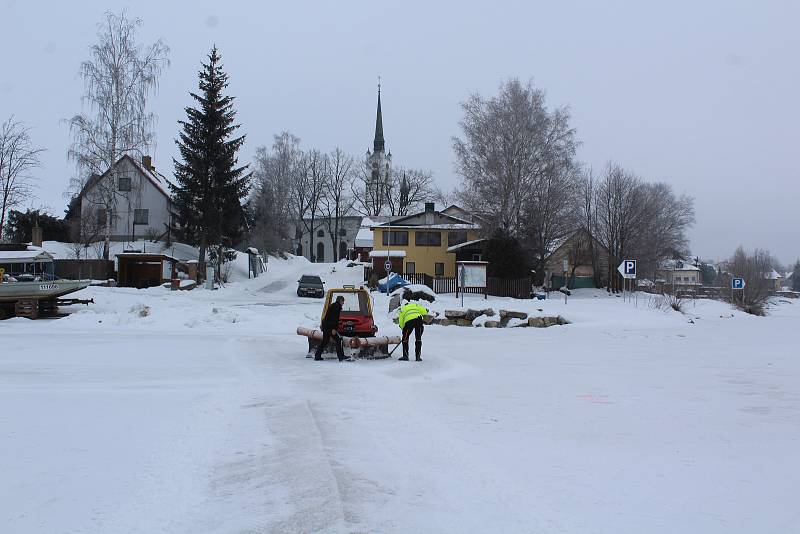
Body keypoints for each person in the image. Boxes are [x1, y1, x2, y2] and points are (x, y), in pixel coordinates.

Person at [315, 295, 347, 361]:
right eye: (343, 301)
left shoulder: (334, 305)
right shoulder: (336, 307)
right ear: (340, 300)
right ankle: (341, 357)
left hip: (326, 326)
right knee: (339, 340)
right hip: (329, 327)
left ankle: (317, 356)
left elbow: (330, 317)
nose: (343, 303)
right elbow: (333, 319)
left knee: (325, 341)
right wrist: (334, 329)